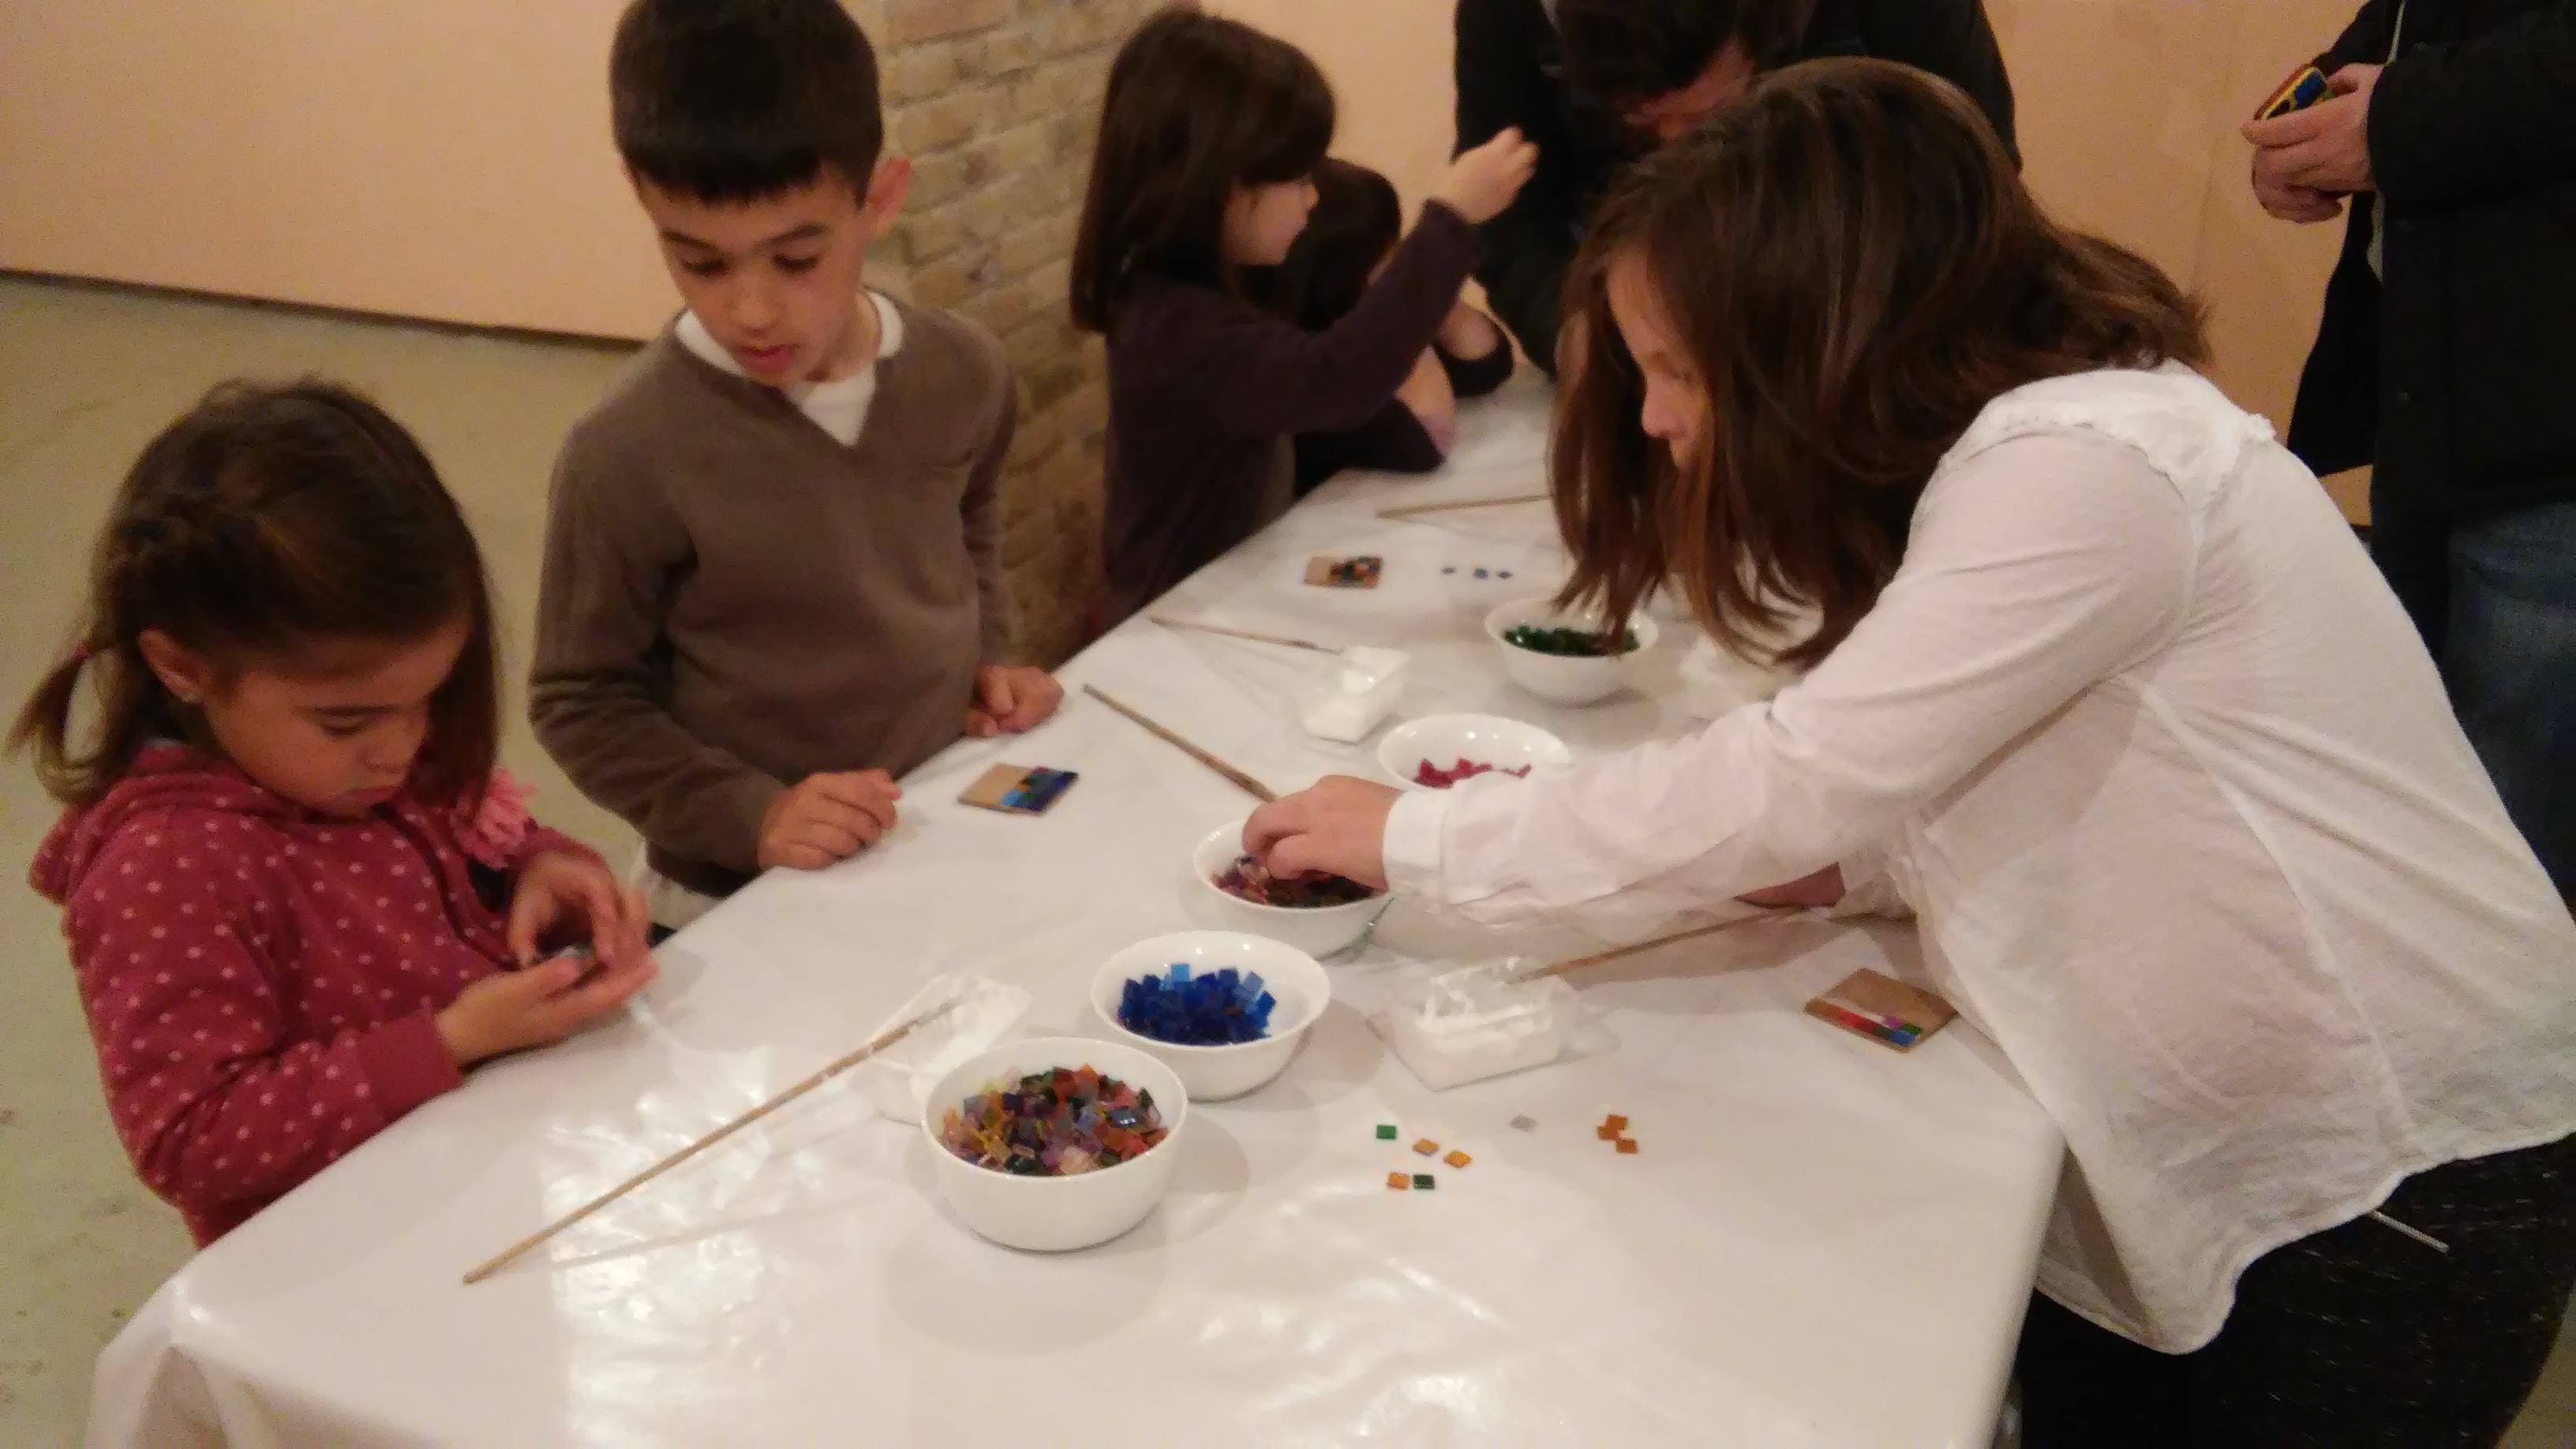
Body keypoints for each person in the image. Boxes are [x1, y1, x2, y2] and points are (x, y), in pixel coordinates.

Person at [1248, 60, 2576, 1443]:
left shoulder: (2089, 461)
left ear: (1818, 337)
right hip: (2220, 1145)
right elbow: (1977, 765)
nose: (1654, 421)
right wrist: (1844, 869)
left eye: (1679, 372)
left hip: (2393, 1165)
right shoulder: (2039, 444)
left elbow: (1799, 774)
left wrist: (1417, 833)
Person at [9, 382, 657, 1247]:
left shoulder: (360, 753)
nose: (401, 750)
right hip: (350, 1253)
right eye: (347, 723)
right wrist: (450, 1041)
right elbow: (190, 1138)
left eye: (429, 699)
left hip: (490, 1176)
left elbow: (469, 845)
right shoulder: (166, 868)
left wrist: (543, 867)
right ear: (182, 667)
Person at [532, 0, 1061, 934]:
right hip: (734, 898)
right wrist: (754, 814)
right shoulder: (626, 450)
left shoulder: (963, 371)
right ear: (643, 198)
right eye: (700, 262)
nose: (752, 311)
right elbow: (580, 699)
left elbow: (968, 517)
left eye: (797, 257)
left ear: (880, 198)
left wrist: (992, 653)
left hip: (933, 827)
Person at [2245, 0, 2576, 900]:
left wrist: (2392, 121)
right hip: (2438, 413)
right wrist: (2309, 123)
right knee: (2409, 821)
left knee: (2509, 863)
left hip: (2547, 444)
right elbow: (2420, 33)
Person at [1070, 7, 1538, 627]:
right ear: (1224, 186)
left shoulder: (1200, 291)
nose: (1313, 199)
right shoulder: (1177, 326)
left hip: (1221, 596)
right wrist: (1450, 220)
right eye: (1297, 180)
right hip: (1172, 622)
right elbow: (1336, 378)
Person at [1456, 0, 2016, 373]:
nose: (1678, 148)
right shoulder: (1510, 13)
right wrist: (1572, 332)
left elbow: (1974, 184)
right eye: (1641, 123)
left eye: (1709, 113)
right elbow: (1508, 212)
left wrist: (1865, 339)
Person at [1254, 158, 1518, 495]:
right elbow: (1425, 438)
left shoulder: (1362, 318)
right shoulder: (1312, 373)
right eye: (1384, 254)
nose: (1398, 263)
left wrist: (1423, 290)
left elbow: (1487, 364)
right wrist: (1404, 311)